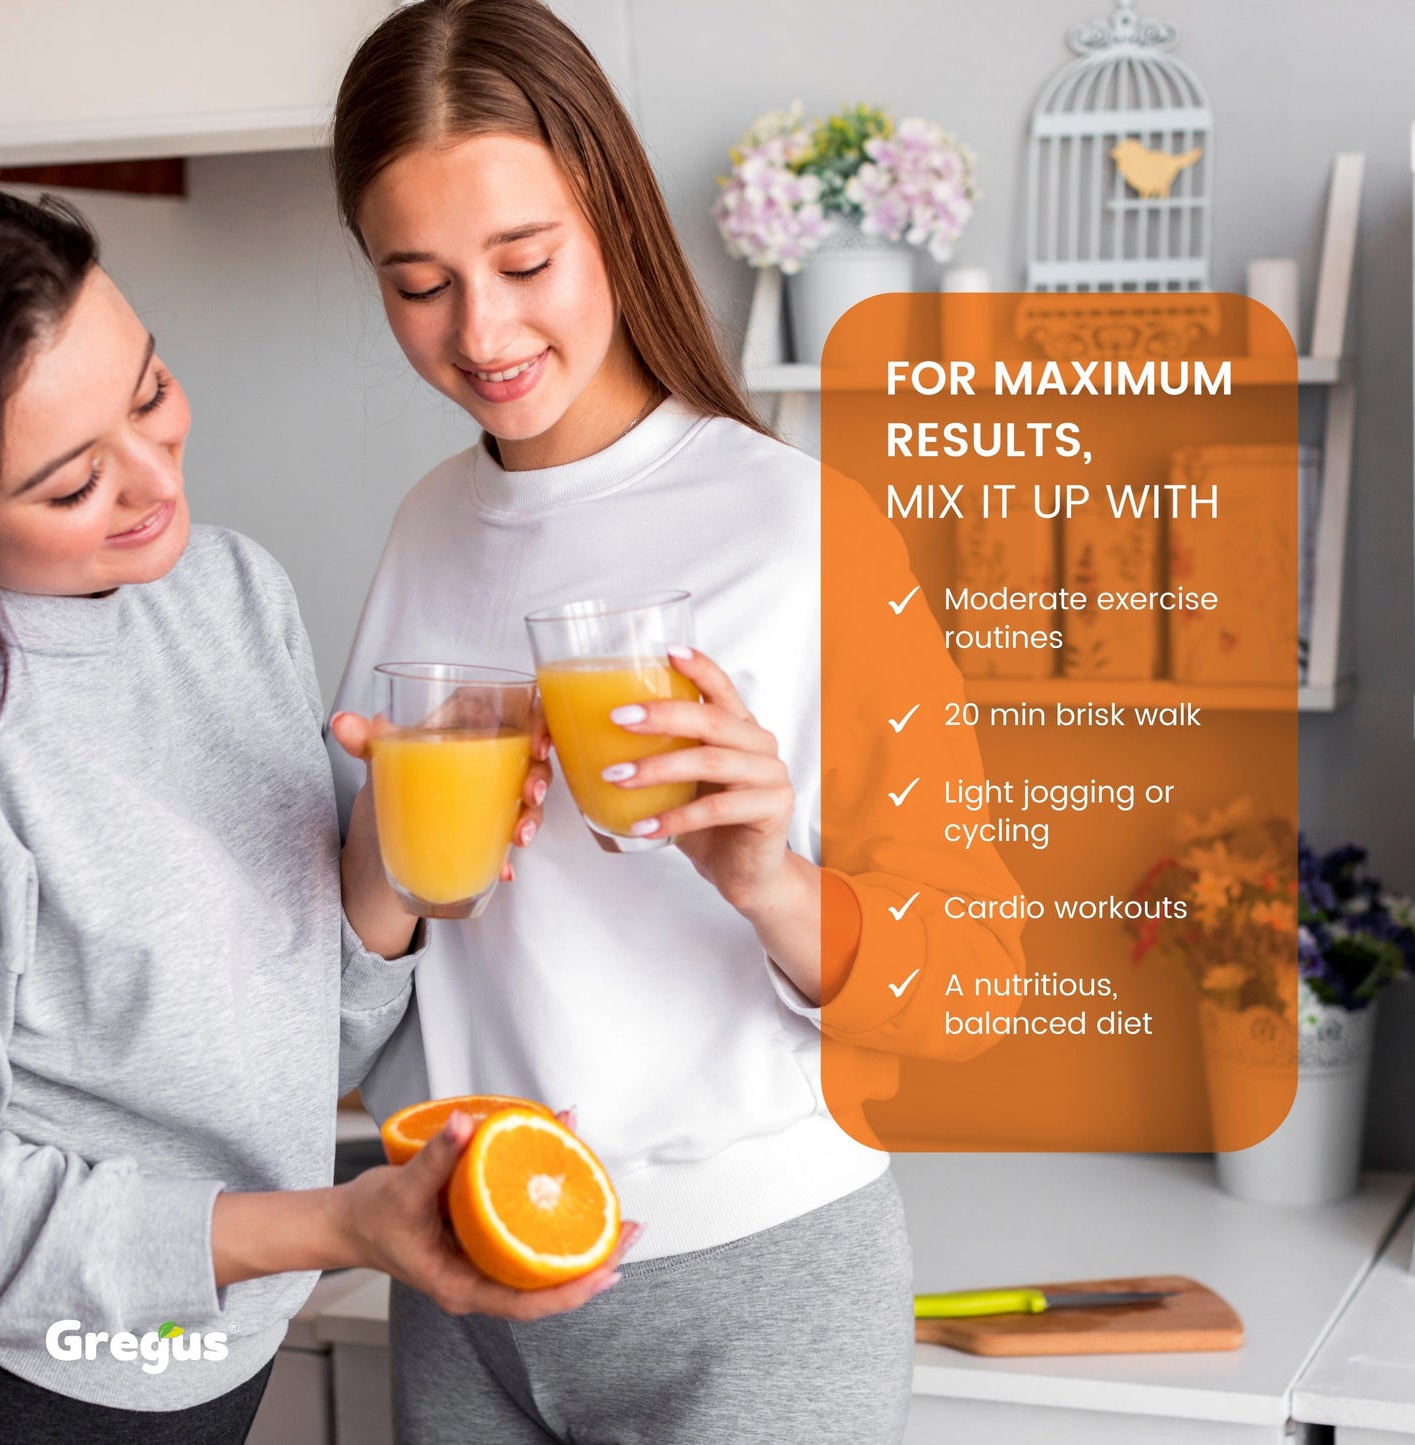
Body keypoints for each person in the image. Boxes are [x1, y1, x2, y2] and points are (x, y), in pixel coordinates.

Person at [328, 2, 1024, 1440]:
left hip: (753, 1284)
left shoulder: (805, 530)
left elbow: (978, 977)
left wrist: (767, 877)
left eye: (525, 260)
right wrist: (377, 869)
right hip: (473, 1255)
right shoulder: (426, 528)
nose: (483, 330)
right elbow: (374, 963)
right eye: (417, 283)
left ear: (614, 218)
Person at [0, 180, 631, 1445]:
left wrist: (388, 863)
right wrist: (332, 1224)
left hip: (216, 1344)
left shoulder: (227, 592)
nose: (153, 478)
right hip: (32, 1382)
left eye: (151, 393)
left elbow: (291, 1038)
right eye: (67, 488)